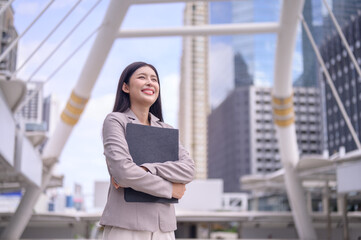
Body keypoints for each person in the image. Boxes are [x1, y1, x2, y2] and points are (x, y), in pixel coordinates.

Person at [100, 61, 195, 240]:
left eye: (154, 79)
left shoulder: (166, 129)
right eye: (142, 77)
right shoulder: (116, 121)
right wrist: (169, 188)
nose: (150, 82)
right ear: (126, 87)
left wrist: (147, 169)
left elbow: (188, 170)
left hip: (163, 230)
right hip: (126, 227)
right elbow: (123, 172)